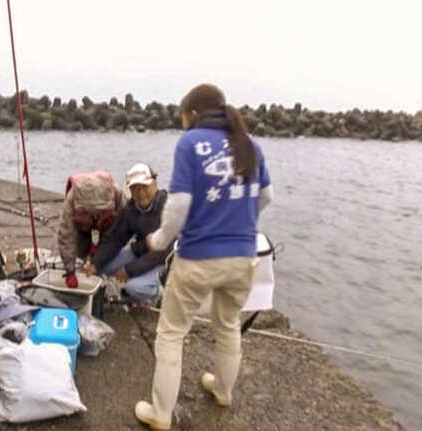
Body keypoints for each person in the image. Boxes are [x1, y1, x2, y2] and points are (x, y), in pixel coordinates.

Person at [134, 83, 273, 430]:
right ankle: (223, 391)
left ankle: (160, 414)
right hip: (243, 256)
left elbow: (179, 204)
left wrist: (159, 239)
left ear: (193, 114)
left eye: (183, 117)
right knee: (227, 325)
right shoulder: (250, 144)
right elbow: (266, 196)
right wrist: (239, 223)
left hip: (198, 256)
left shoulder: (191, 142)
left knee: (171, 332)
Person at [83, 163, 171, 303]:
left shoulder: (168, 207)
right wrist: (95, 262)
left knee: (134, 288)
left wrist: (129, 270)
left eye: (144, 187)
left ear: (154, 184)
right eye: (135, 188)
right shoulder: (130, 209)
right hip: (140, 252)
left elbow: (162, 252)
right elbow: (115, 239)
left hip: (165, 260)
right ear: (129, 189)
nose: (140, 193)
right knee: (101, 267)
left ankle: (158, 292)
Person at [57, 171, 125, 288]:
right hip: (83, 228)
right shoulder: (71, 200)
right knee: (80, 249)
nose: (96, 213)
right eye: (92, 211)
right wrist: (70, 271)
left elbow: (123, 230)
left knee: (109, 253)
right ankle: (85, 265)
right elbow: (66, 235)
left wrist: (100, 257)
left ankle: (101, 269)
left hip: (108, 227)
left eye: (100, 210)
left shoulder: (117, 195)